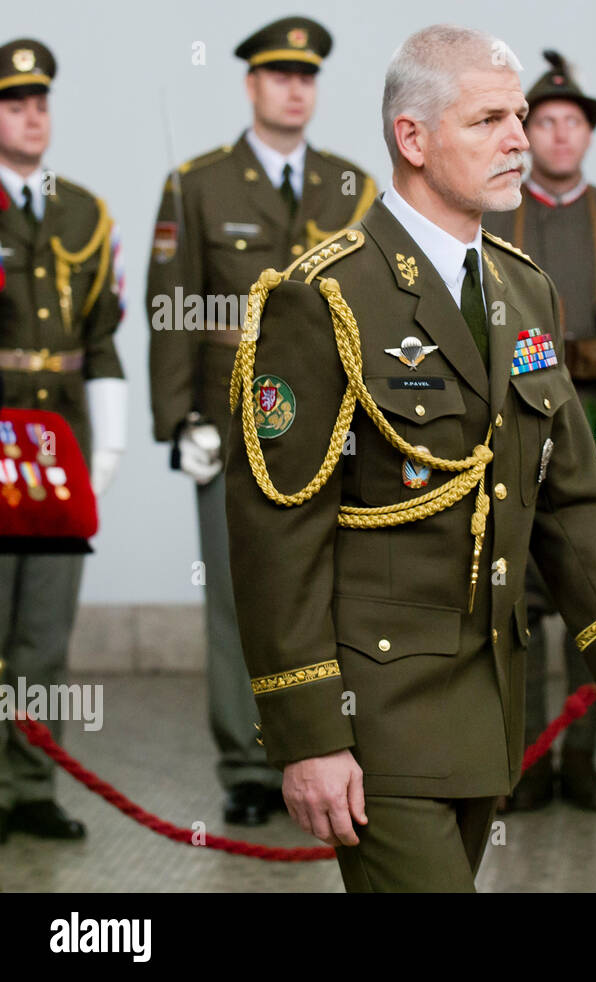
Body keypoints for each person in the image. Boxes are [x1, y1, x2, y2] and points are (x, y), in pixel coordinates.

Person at [223, 23, 596, 892]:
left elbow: (571, 503)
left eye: (518, 117)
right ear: (413, 137)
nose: (519, 138)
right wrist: (312, 734)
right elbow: (276, 537)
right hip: (377, 717)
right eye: (487, 121)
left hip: (489, 711)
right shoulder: (322, 298)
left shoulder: (523, 288)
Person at [145, 16, 375, 826]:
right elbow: (171, 309)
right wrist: (179, 421)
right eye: (280, 76)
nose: (295, 88)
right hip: (231, 422)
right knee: (238, 599)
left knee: (331, 593)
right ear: (251, 85)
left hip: (328, 429)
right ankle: (248, 765)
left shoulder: (352, 186)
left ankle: (326, 745)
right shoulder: (197, 183)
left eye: (307, 76)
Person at [482, 50, 596, 812]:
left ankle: (588, 762)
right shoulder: (496, 212)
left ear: (588, 136)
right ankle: (524, 765)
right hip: (514, 433)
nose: (559, 137)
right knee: (517, 604)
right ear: (529, 135)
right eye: (547, 122)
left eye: (573, 124)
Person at [0, 38, 127, 842]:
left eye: (40, 103)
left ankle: (31, 782)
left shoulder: (84, 211)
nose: (33, 116)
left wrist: (105, 448)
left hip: (58, 447)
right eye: (15, 104)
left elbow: (102, 335)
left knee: (44, 633)